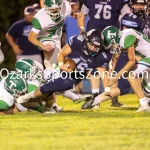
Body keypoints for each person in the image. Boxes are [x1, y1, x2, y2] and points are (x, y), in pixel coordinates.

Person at [16, 29, 108, 105]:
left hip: (72, 78)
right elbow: (62, 53)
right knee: (40, 77)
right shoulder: (77, 41)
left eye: (96, 46)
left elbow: (100, 75)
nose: (92, 48)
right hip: (62, 65)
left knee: (49, 87)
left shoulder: (100, 56)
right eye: (91, 44)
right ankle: (69, 99)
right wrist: (61, 65)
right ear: (86, 40)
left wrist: (106, 89)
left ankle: (28, 96)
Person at [82, 26, 150, 112]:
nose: (112, 47)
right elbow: (114, 59)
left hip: (148, 56)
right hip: (147, 59)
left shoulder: (127, 36)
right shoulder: (120, 39)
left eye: (112, 44)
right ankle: (146, 103)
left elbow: (132, 61)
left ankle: (144, 105)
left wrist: (116, 78)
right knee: (147, 92)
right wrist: (111, 73)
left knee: (130, 74)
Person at [78, 0, 131, 107]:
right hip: (98, 38)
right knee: (96, 68)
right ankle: (95, 98)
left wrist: (83, 30)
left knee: (112, 67)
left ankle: (112, 99)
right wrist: (83, 31)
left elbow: (81, 16)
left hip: (110, 39)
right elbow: (82, 15)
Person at [28, 0, 71, 70]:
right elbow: (31, 37)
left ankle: (50, 72)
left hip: (57, 38)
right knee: (50, 47)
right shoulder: (40, 18)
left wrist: (75, 15)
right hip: (44, 37)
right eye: (52, 9)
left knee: (59, 63)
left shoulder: (66, 8)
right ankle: (48, 63)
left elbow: (69, 12)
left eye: (56, 9)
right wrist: (42, 46)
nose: (55, 12)